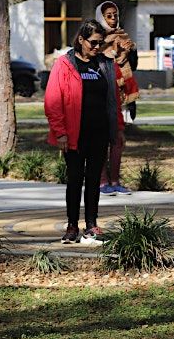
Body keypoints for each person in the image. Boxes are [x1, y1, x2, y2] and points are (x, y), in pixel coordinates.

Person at [44, 19, 126, 244]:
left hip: (99, 133)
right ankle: (72, 226)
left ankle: (91, 225)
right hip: (73, 135)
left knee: (93, 181)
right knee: (74, 179)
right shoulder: (64, 64)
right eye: (92, 42)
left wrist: (118, 128)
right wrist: (59, 131)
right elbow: (52, 100)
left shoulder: (105, 65)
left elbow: (113, 101)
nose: (96, 47)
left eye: (100, 43)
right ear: (81, 40)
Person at [96, 1, 139, 197]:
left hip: (121, 92)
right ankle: (102, 180)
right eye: (108, 16)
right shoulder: (96, 38)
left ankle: (115, 180)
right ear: (101, 17)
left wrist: (130, 51)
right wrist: (112, 52)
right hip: (103, 94)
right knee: (101, 138)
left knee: (118, 139)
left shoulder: (123, 35)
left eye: (115, 15)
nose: (113, 19)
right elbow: (95, 61)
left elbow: (132, 66)